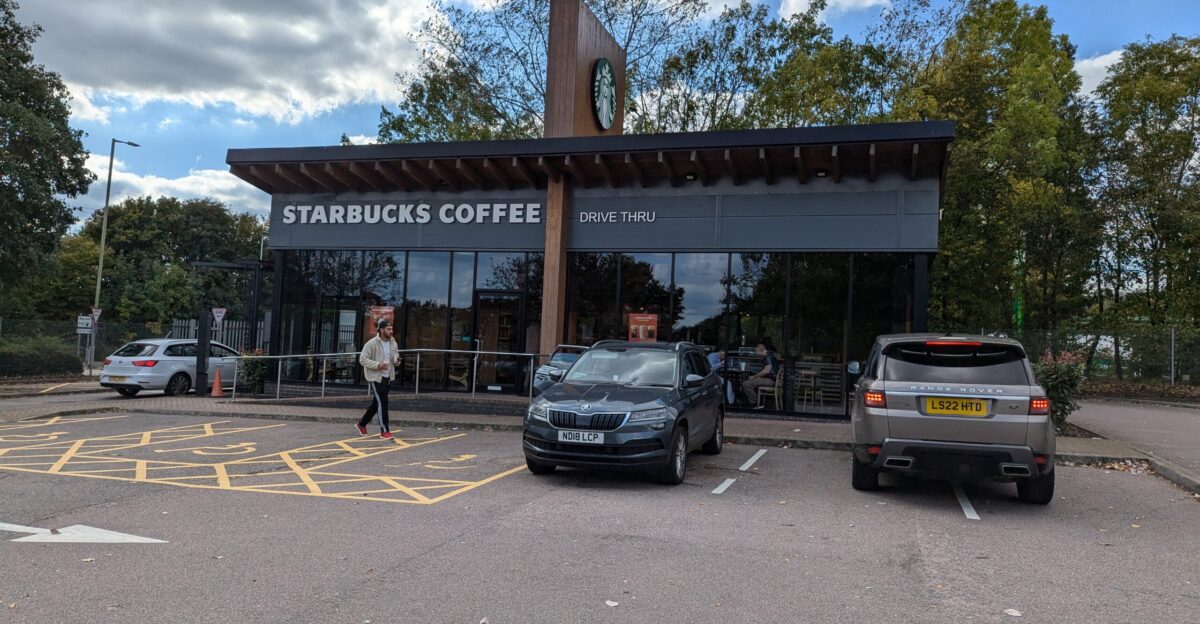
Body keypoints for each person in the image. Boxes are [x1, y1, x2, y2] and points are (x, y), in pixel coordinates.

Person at [357, 318, 400, 439]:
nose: (391, 331)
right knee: (383, 402)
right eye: (388, 329)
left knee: (377, 403)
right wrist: (378, 365)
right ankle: (384, 431)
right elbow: (362, 359)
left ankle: (362, 424)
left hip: (388, 377)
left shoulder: (393, 343)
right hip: (376, 377)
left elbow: (395, 358)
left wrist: (397, 361)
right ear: (381, 330)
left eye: (392, 329)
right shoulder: (371, 343)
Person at [741, 343, 778, 408]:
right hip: (772, 379)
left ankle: (755, 403)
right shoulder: (771, 355)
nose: (756, 353)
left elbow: (766, 370)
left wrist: (754, 376)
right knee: (751, 382)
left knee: (746, 384)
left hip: (770, 380)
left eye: (756, 351)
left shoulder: (767, 356)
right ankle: (756, 401)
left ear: (761, 350)